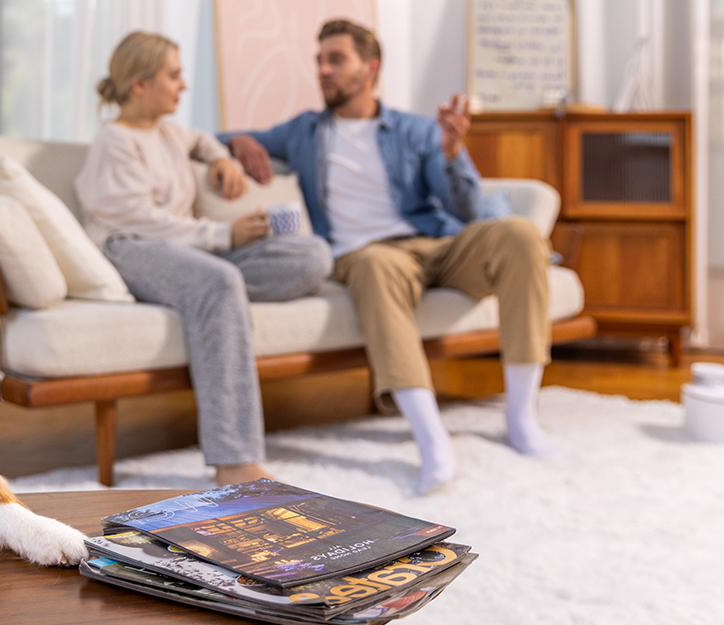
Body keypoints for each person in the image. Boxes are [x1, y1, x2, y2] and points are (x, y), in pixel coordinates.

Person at [222, 20, 557, 495]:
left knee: (522, 234)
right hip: (366, 256)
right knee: (376, 264)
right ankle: (432, 440)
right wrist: (237, 144)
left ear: (370, 68)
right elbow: (218, 136)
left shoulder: (417, 130)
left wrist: (452, 152)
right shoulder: (303, 132)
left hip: (435, 245)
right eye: (319, 60)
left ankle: (522, 419)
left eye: (336, 59)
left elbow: (465, 208)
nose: (323, 70)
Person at [75, 32, 333, 486]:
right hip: (132, 247)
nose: (183, 86)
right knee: (218, 282)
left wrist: (223, 159)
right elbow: (142, 220)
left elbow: (204, 141)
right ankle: (232, 460)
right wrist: (222, 234)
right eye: (173, 76)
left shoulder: (172, 133)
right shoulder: (115, 141)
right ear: (140, 84)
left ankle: (209, 297)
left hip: (187, 253)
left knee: (312, 254)